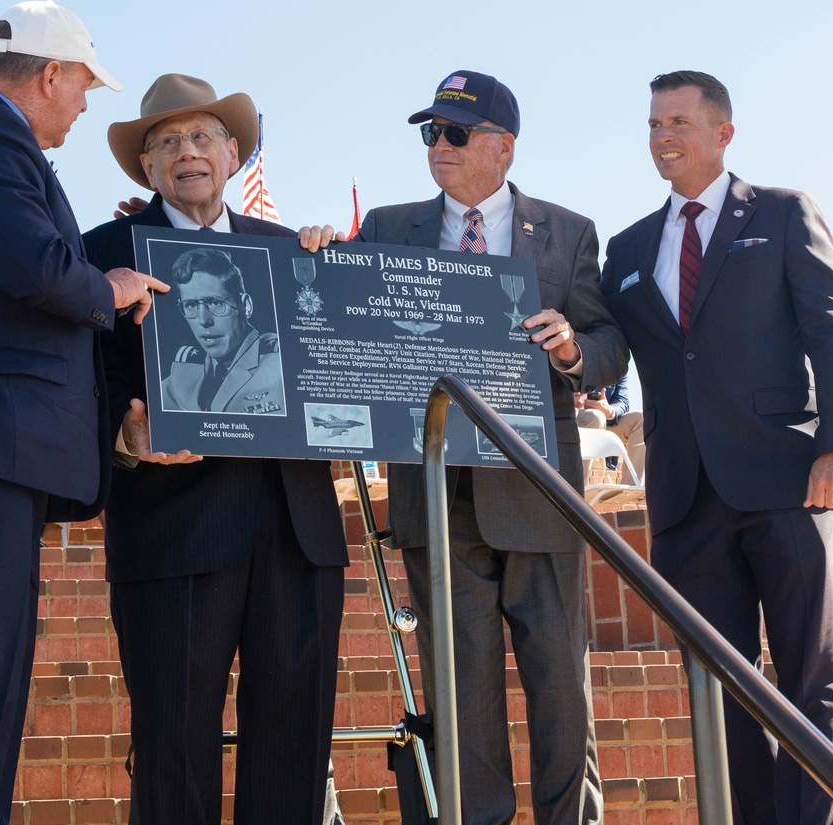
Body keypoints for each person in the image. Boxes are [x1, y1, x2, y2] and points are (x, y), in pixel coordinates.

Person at [304, 69, 627, 825]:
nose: (437, 147)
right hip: (435, 497)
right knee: (460, 696)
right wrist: (316, 255)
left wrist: (575, 349)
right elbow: (337, 324)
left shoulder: (569, 231)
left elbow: (613, 345)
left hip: (538, 496)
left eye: (454, 133)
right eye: (430, 133)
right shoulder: (386, 228)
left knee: (560, 692)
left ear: (502, 147)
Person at [0, 3, 162, 823]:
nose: (85, 105)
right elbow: (35, 265)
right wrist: (109, 289)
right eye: (82, 86)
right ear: (50, 75)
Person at [82, 73, 348, 825]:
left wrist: (338, 275)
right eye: (165, 142)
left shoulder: (294, 250)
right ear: (146, 168)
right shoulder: (99, 253)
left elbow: (343, 371)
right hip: (171, 532)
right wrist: (122, 437)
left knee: (295, 744)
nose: (186, 152)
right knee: (172, 746)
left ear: (233, 153)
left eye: (202, 137)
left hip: (297, 531)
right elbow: (77, 381)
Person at [600, 70, 833, 825]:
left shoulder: (783, 214)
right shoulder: (627, 247)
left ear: (724, 133)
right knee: (720, 685)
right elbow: (607, 347)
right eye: (653, 125)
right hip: (685, 497)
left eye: (678, 122)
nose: (662, 137)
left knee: (812, 675)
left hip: (788, 479)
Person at [161, 246, 285, 414]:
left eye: (215, 303)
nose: (203, 320)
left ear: (245, 306)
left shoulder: (280, 364)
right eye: (191, 305)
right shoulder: (183, 372)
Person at [575, 376, 645, 484]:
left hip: (606, 422)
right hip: (573, 419)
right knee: (595, 417)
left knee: (641, 419)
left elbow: (622, 401)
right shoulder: (562, 361)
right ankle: (578, 488)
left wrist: (609, 411)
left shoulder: (615, 364)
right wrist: (571, 401)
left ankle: (630, 487)